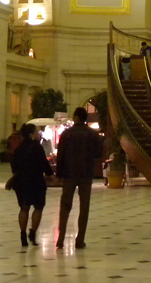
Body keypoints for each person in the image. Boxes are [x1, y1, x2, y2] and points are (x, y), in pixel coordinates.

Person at [55, 107, 103, 250]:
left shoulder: (66, 134)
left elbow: (61, 155)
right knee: (84, 207)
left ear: (76, 117)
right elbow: (99, 153)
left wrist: (59, 174)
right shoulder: (93, 134)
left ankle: (60, 239)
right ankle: (80, 240)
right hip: (86, 174)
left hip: (69, 173)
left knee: (65, 205)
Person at [10, 124, 53, 247]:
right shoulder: (37, 147)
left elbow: (14, 167)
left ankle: (23, 235)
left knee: (24, 208)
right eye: (35, 132)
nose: (37, 135)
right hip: (36, 181)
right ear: (31, 134)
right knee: (38, 207)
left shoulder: (18, 149)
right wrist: (51, 175)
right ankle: (33, 233)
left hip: (21, 182)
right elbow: (44, 164)